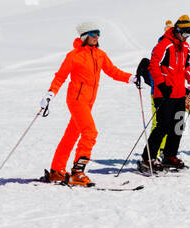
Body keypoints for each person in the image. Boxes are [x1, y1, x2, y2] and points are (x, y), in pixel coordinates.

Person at [39, 22, 136, 186]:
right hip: (76, 100)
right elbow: (60, 76)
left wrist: (131, 78)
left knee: (71, 135)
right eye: (93, 33)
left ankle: (56, 171)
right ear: (84, 36)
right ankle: (78, 172)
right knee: (90, 132)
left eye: (98, 33)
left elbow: (113, 71)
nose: (97, 36)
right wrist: (50, 93)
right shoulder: (74, 55)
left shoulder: (100, 54)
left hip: (89, 101)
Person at [140, 14, 190, 174]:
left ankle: (169, 156)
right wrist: (162, 85)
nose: (186, 37)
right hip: (164, 93)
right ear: (178, 30)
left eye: (189, 34)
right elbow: (153, 66)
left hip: (179, 93)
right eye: (185, 34)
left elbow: (186, 68)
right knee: (162, 125)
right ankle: (147, 158)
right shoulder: (165, 44)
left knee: (178, 126)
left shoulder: (185, 47)